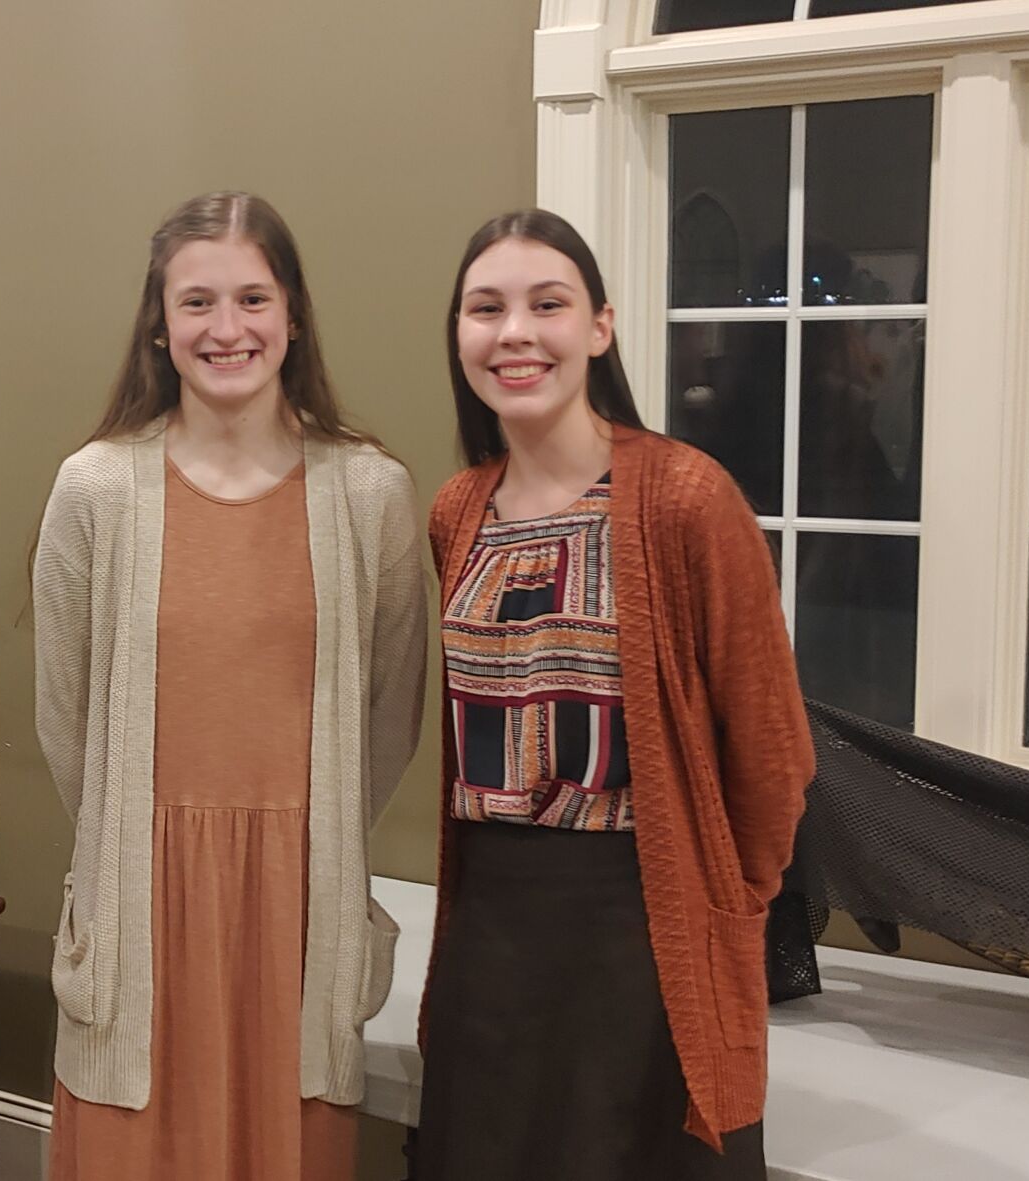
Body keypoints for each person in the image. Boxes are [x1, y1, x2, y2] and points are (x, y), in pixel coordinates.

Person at [35, 190, 427, 1181]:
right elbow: (64, 716)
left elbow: (391, 712)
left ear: (292, 315)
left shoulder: (370, 493)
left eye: (252, 298)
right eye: (197, 301)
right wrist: (140, 839)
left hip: (300, 914)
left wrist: (307, 835)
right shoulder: (94, 488)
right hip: (141, 907)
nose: (226, 328)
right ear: (159, 325)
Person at [412, 210, 813, 1179]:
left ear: (599, 326)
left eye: (547, 304)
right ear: (459, 334)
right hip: (490, 936)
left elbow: (771, 749)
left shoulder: (686, 498)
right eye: (485, 308)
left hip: (642, 937)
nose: (515, 332)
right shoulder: (458, 510)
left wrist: (730, 908)